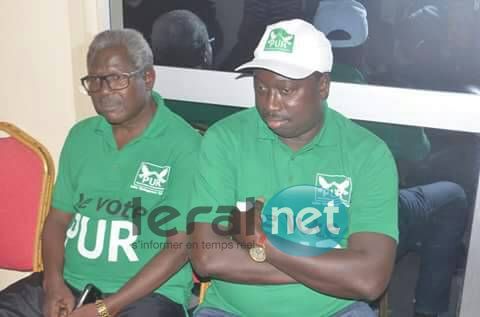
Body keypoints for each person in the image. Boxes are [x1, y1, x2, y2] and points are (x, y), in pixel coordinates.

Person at [190, 19, 398, 317]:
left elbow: (369, 279)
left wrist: (261, 242)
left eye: (286, 91)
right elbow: (207, 258)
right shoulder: (225, 139)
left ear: (323, 86)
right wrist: (334, 263)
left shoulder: (368, 154)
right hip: (232, 311)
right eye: (261, 88)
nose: (270, 104)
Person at [0, 29, 200, 317]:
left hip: (145, 295)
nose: (104, 91)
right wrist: (53, 283)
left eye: (116, 78)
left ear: (148, 78)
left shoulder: (184, 145)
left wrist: (107, 308)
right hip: (69, 283)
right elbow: (57, 220)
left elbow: (181, 245)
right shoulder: (81, 136)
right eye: (94, 80)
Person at [314, 4, 469, 316]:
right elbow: (419, 153)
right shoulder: (383, 105)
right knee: (453, 195)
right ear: (363, 47)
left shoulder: (282, 99)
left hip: (302, 219)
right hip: (370, 229)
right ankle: (428, 309)